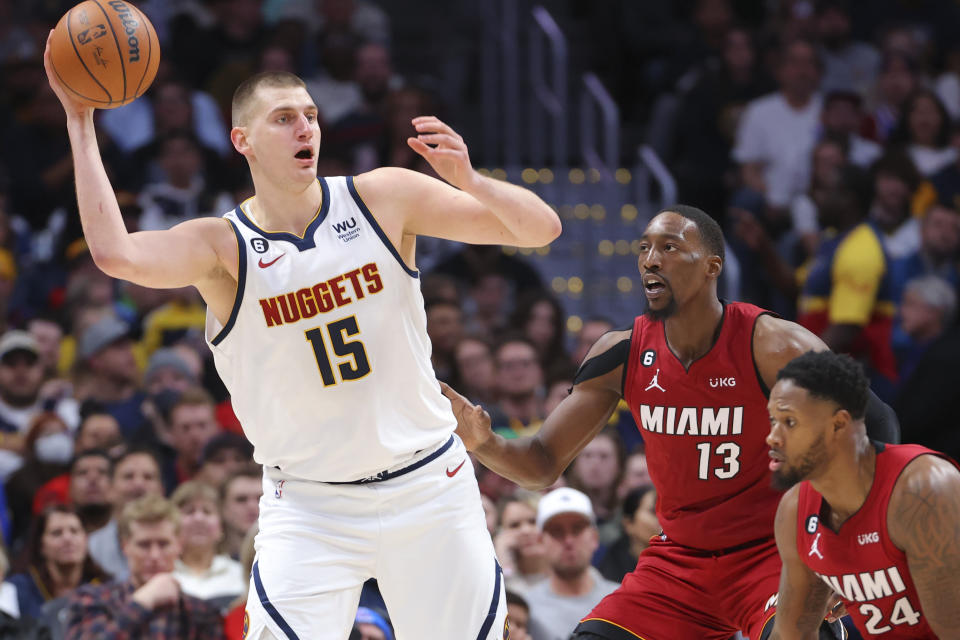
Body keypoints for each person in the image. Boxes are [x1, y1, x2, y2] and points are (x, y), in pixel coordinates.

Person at [44, 37, 560, 635]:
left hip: (427, 485)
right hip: (312, 506)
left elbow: (540, 229)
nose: (303, 128)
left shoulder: (381, 197)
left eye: (310, 115)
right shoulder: (223, 247)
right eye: (284, 118)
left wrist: (472, 178)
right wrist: (79, 119)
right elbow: (116, 253)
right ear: (242, 140)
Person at [444, 205, 899, 639]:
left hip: (772, 554)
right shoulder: (619, 354)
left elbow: (877, 425)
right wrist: (483, 442)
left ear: (711, 267)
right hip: (679, 561)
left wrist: (850, 546)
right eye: (644, 248)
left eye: (670, 247)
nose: (651, 260)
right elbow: (541, 463)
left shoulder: (773, 344)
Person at [765, 350, 960, 639]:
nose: (772, 437)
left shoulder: (923, 491)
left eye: (790, 422)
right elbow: (791, 633)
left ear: (838, 425)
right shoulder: (795, 511)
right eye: (772, 420)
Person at [63, 494, 225, 639]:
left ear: (179, 545)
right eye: (144, 545)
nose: (154, 555)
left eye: (163, 544)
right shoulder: (91, 600)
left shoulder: (201, 612)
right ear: (125, 546)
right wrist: (142, 602)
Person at [525, 488, 619, 640]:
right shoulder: (526, 609)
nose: (568, 540)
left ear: (594, 538)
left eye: (577, 529)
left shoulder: (621, 600)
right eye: (556, 531)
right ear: (541, 541)